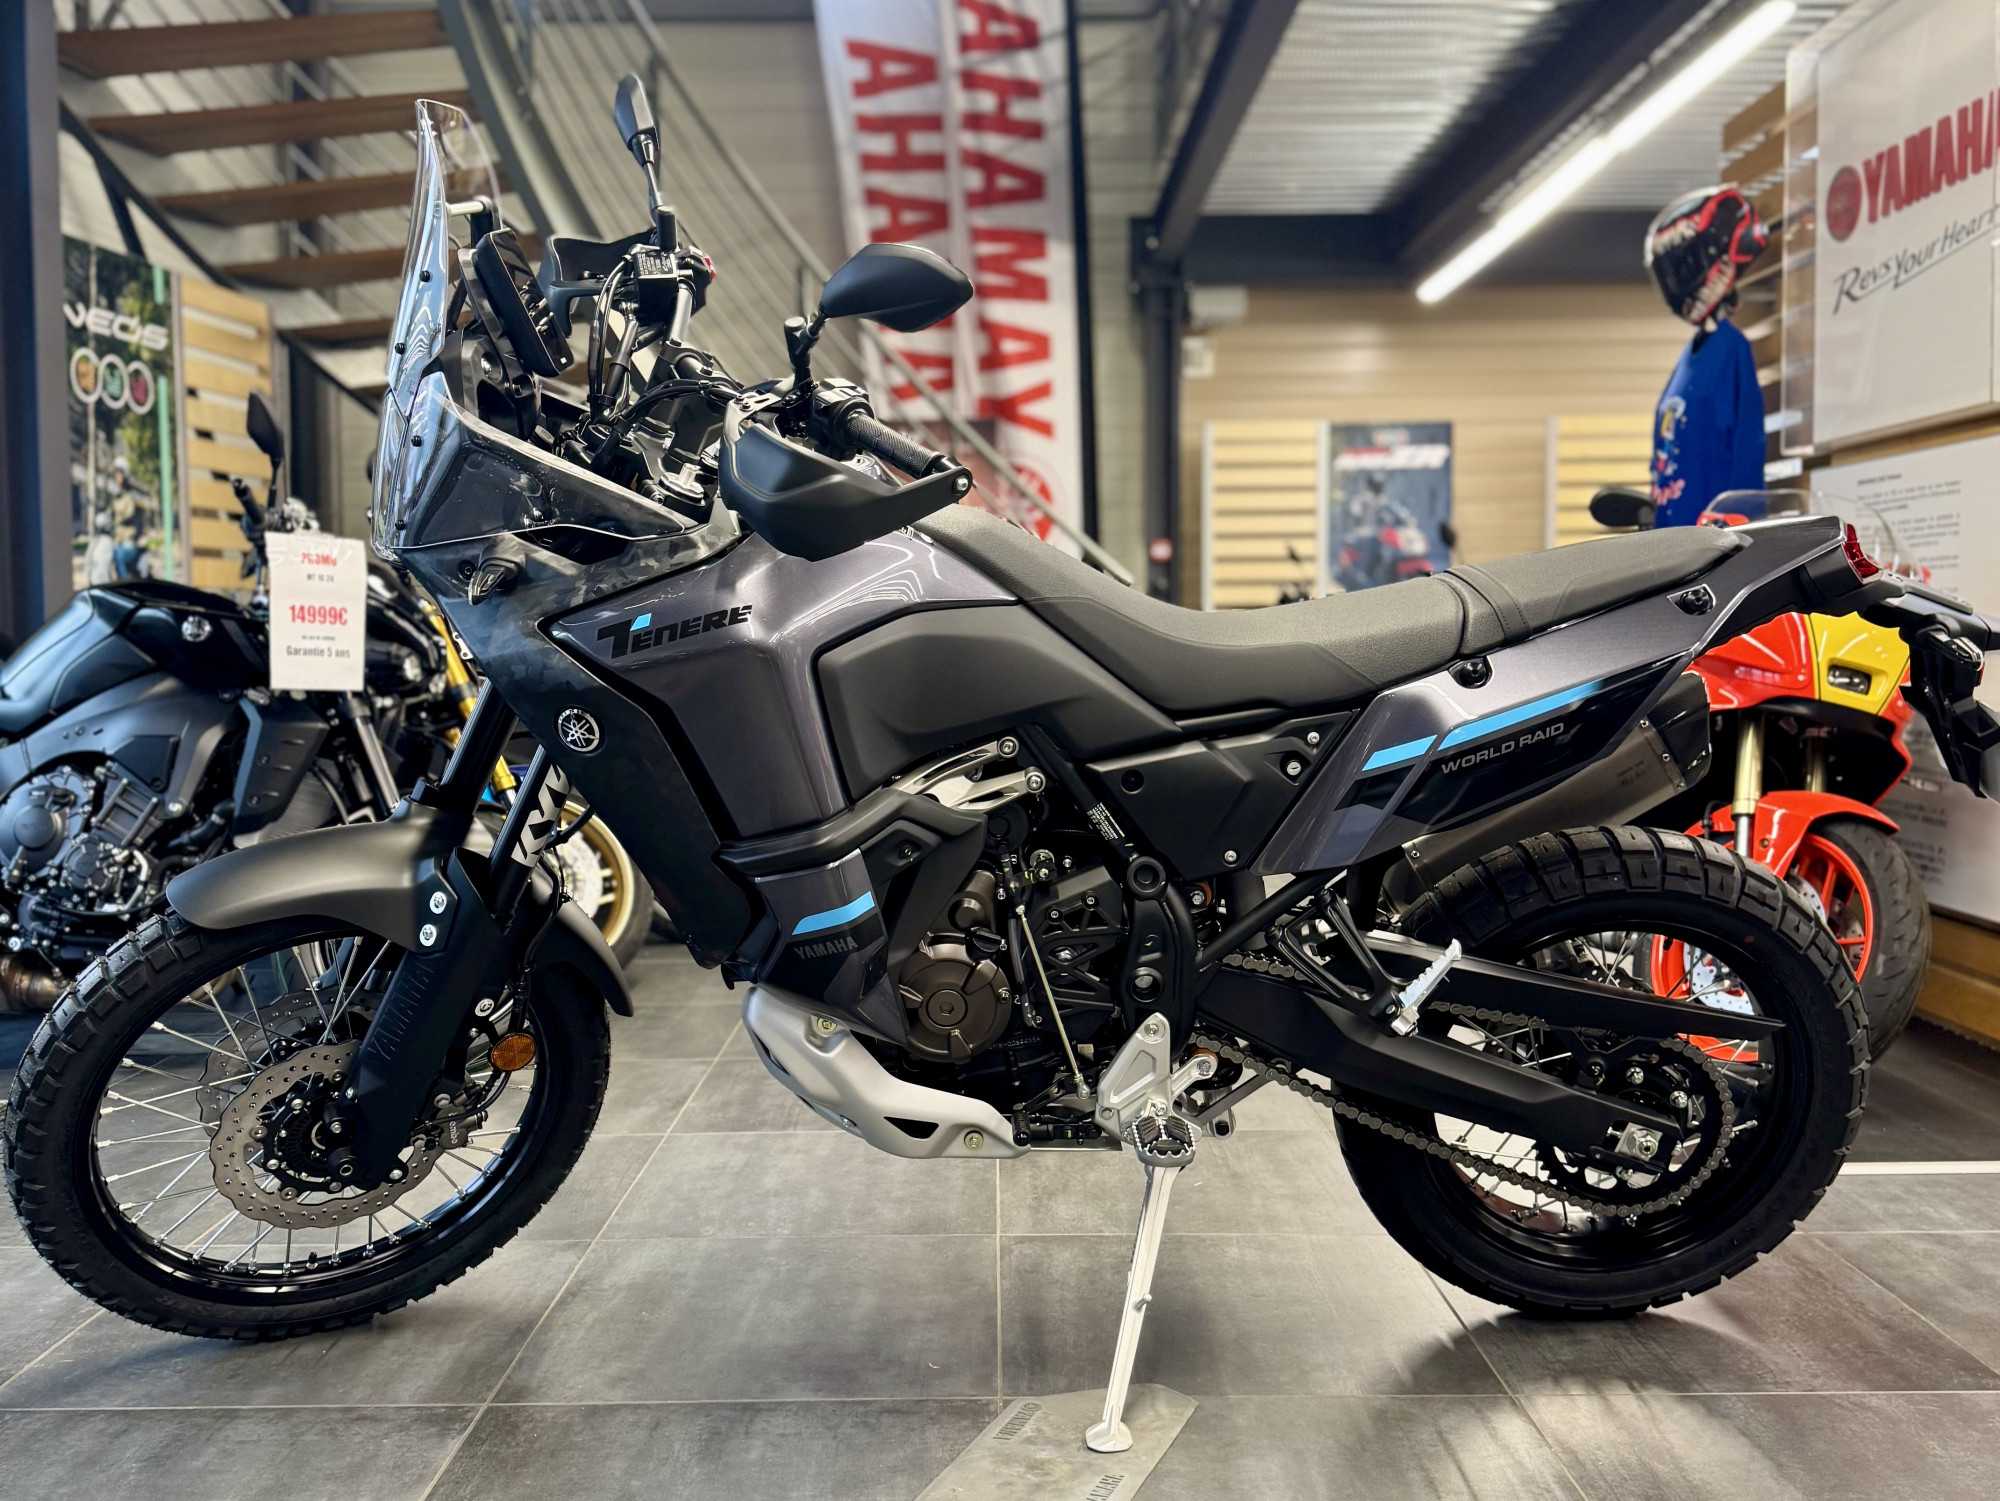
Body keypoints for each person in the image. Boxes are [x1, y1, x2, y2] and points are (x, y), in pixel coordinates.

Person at [1645, 185, 1768, 527]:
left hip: (1711, 546)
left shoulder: (1732, 351)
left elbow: (1747, 461)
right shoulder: (1689, 359)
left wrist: (1743, 535)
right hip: (1672, 542)